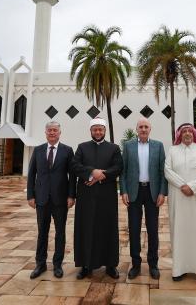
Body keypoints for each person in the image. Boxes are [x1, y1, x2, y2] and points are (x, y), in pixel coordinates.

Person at [71, 117, 123, 279]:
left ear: (105, 131)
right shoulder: (82, 147)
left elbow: (118, 167)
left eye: (101, 129)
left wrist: (102, 175)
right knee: (86, 228)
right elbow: (75, 166)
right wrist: (91, 172)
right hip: (86, 196)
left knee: (108, 228)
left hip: (106, 196)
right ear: (91, 131)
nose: (98, 132)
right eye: (95, 129)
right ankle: (86, 266)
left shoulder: (114, 148)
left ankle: (110, 265)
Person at [164, 123, 196, 286]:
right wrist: (182, 185)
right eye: (183, 131)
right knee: (179, 230)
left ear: (194, 134)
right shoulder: (173, 150)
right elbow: (167, 170)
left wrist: (192, 187)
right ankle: (179, 269)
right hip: (178, 197)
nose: (186, 134)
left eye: (189, 131)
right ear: (179, 134)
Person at [27, 121, 77, 279]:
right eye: (49, 130)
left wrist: (71, 195)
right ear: (45, 132)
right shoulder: (38, 150)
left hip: (60, 199)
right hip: (41, 199)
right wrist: (30, 195)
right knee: (42, 232)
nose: (52, 133)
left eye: (55, 130)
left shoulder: (67, 151)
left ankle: (57, 265)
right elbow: (31, 174)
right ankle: (40, 264)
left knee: (60, 233)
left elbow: (72, 176)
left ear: (59, 133)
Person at [120, 117, 167, 280]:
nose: (143, 129)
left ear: (150, 129)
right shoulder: (128, 146)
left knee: (153, 229)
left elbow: (163, 172)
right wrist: (123, 191)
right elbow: (123, 171)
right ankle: (136, 264)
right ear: (136, 129)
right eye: (140, 127)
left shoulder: (158, 146)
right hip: (134, 192)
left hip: (152, 192)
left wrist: (162, 192)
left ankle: (153, 264)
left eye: (146, 126)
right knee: (134, 229)